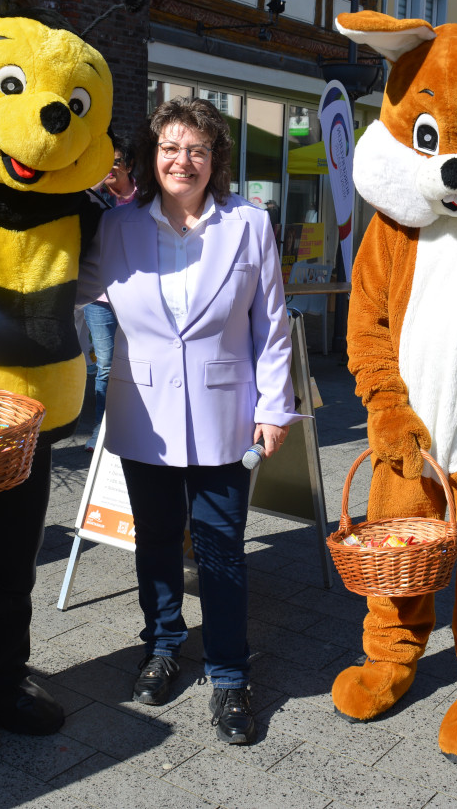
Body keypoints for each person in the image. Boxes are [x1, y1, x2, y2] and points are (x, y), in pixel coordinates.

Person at [77, 97, 302, 745]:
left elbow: (272, 322)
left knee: (221, 550)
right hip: (142, 414)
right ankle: (163, 645)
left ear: (215, 160)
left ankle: (231, 676)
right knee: (154, 542)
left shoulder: (248, 223)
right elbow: (66, 288)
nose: (184, 160)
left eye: (197, 149)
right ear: (153, 156)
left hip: (225, 415)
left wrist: (273, 407)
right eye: (171, 147)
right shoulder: (117, 228)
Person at [82, 134, 137, 450]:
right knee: (105, 364)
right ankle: (99, 431)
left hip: (134, 294)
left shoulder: (145, 200)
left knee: (136, 361)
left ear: (129, 165)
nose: (110, 168)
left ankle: (134, 427)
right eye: (105, 162)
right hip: (98, 297)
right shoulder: (90, 198)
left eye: (115, 161)